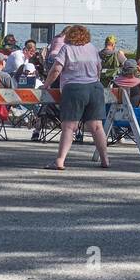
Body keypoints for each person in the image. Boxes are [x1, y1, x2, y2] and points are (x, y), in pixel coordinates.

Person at [40, 24, 110, 170]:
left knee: (69, 126)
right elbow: (98, 69)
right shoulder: (92, 48)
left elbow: (56, 69)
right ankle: (105, 159)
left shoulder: (67, 48)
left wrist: (46, 85)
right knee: (96, 126)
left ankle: (60, 160)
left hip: (74, 88)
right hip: (95, 88)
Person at [110, 58, 140, 144]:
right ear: (135, 70)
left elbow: (109, 100)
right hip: (136, 117)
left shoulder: (115, 82)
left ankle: (119, 132)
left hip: (115, 116)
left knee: (117, 107)